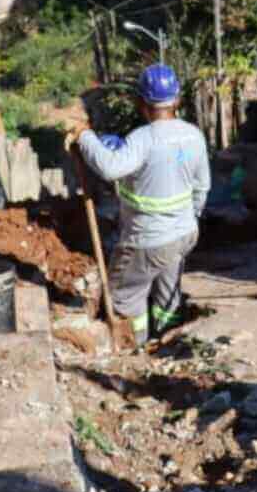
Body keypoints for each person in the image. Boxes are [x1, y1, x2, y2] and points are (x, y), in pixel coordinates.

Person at [74, 64, 211, 348]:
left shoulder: (143, 139)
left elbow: (110, 168)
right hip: (184, 234)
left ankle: (135, 346)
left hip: (147, 239)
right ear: (176, 100)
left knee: (125, 296)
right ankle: (170, 343)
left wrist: (85, 136)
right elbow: (202, 187)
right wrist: (187, 219)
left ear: (141, 102)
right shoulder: (193, 135)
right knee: (167, 293)